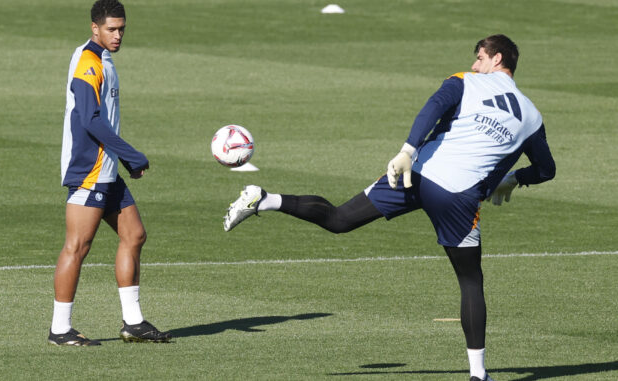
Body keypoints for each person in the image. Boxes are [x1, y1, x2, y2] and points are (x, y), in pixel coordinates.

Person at [223, 34, 555, 380]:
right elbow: (547, 170)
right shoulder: (531, 116)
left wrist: (407, 152)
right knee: (470, 281)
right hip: (457, 195)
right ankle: (478, 374)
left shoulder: (466, 82)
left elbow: (433, 107)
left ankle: (265, 199)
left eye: (480, 58)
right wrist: (514, 179)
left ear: (498, 58)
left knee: (340, 219)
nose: (474, 65)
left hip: (416, 174)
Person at [49, 0, 171, 346]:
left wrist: (121, 161)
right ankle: (60, 329)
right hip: (89, 172)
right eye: (112, 29)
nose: (118, 35)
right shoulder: (89, 63)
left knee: (134, 235)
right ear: (95, 28)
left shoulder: (103, 58)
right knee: (78, 246)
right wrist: (131, 155)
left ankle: (133, 323)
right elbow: (89, 120)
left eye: (122, 29)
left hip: (107, 170)